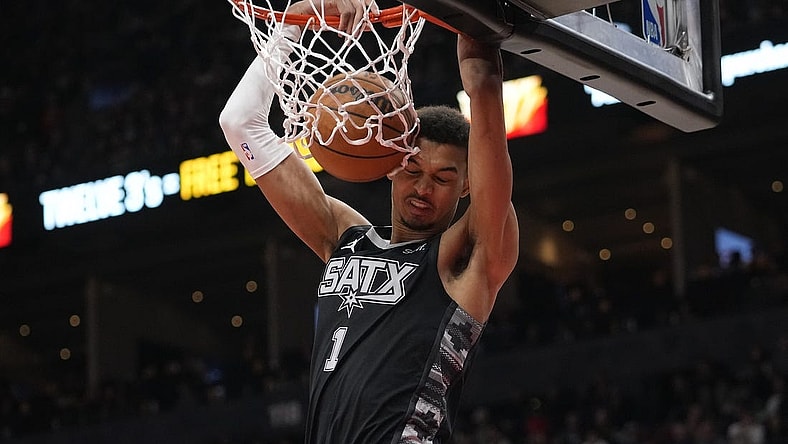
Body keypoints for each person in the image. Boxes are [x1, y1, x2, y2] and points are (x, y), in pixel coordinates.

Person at [219, 0, 519, 441]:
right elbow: (240, 123)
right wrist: (294, 27)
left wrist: (479, 57)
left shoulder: (464, 258)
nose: (422, 188)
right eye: (414, 171)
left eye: (442, 178)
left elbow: (488, 113)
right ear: (392, 165)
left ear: (467, 186)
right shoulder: (342, 237)